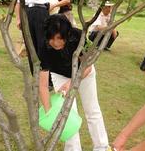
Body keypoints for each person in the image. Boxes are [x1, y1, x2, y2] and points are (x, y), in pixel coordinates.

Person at [39, 14, 109, 151]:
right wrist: (48, 111)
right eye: (51, 38)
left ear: (67, 34)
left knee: (92, 109)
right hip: (60, 76)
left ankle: (102, 146)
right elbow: (42, 85)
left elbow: (87, 66)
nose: (55, 43)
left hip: (84, 73)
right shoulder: (44, 47)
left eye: (59, 38)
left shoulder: (77, 36)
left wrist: (72, 82)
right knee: (67, 114)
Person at [15, 0, 56, 72]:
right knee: (30, 44)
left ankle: (46, 75)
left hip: (40, 11)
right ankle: (35, 73)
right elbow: (18, 2)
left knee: (42, 43)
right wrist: (18, 19)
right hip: (26, 11)